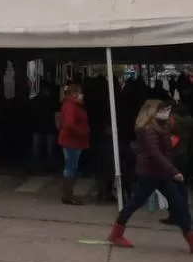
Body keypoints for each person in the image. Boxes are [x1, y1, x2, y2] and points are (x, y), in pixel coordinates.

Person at [108, 100, 193, 252]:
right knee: (136, 202)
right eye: (162, 110)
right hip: (149, 174)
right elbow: (157, 155)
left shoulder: (162, 128)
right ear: (152, 112)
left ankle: (190, 238)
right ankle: (116, 233)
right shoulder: (148, 131)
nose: (166, 112)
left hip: (160, 173)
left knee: (178, 203)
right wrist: (174, 171)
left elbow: (164, 153)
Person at [160, 104, 193, 227]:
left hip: (174, 156)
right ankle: (183, 215)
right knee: (181, 188)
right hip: (184, 155)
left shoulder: (174, 122)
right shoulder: (188, 123)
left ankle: (176, 215)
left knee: (172, 188)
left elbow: (164, 131)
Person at [57, 84, 89, 205]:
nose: (82, 95)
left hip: (71, 140)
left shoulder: (70, 104)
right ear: (75, 93)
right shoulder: (72, 105)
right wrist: (82, 131)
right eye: (80, 92)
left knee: (70, 167)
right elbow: (69, 124)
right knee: (71, 168)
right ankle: (68, 196)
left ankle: (67, 195)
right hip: (72, 140)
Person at [28, 84, 58, 173]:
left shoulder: (35, 100)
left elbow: (31, 113)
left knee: (36, 148)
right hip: (49, 127)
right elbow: (56, 114)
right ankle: (49, 167)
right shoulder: (53, 101)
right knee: (49, 150)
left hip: (37, 127)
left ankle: (33, 166)